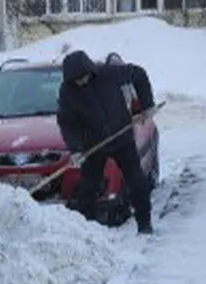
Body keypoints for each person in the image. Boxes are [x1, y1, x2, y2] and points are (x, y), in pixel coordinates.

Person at [56, 50, 156, 235]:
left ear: (90, 71)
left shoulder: (110, 74)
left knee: (137, 182)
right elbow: (67, 123)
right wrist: (75, 149)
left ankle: (145, 224)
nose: (81, 82)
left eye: (83, 77)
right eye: (76, 80)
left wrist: (147, 104)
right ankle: (85, 231)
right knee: (88, 189)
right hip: (93, 145)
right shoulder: (68, 91)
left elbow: (139, 74)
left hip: (121, 138)